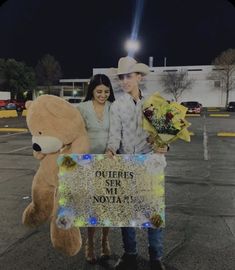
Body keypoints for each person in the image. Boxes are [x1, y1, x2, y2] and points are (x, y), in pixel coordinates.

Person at [106, 56, 168, 270]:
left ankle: (156, 257)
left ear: (139, 77)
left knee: (153, 212)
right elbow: (115, 135)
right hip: (125, 163)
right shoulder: (116, 106)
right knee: (126, 213)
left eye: (129, 76)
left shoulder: (153, 103)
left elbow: (165, 134)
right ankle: (130, 253)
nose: (125, 81)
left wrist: (164, 146)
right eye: (122, 77)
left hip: (150, 162)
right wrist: (111, 149)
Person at [77, 74, 115, 264]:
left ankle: (105, 240)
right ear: (92, 90)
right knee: (92, 207)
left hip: (110, 162)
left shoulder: (113, 107)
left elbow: (118, 132)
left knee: (107, 206)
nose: (103, 95)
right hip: (87, 164)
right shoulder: (81, 108)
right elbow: (73, 131)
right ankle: (90, 243)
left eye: (106, 91)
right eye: (99, 91)